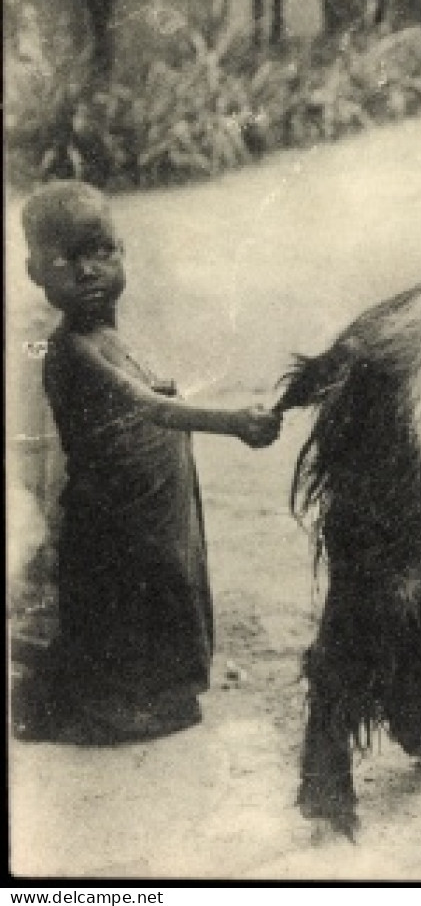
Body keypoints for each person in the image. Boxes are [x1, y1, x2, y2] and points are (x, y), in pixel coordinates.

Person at [17, 181, 281, 744]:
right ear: (34, 272)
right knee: (125, 600)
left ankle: (161, 692)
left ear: (122, 252)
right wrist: (233, 422)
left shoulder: (108, 336)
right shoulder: (72, 350)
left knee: (164, 585)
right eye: (65, 259)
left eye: (101, 252)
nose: (88, 271)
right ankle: (121, 705)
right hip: (115, 514)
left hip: (151, 505)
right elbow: (149, 406)